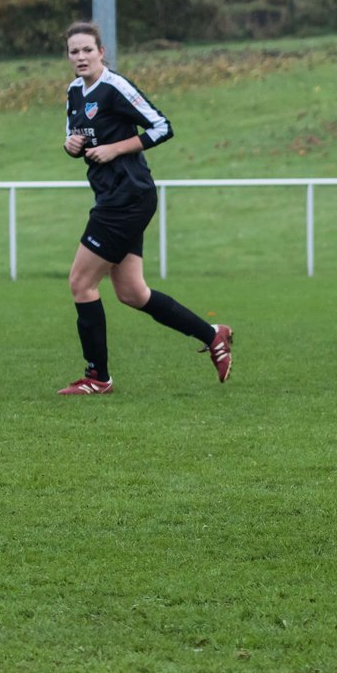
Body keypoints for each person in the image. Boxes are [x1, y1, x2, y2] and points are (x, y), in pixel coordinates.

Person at [56, 21, 232, 395]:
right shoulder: (73, 92)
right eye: (74, 51)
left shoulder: (115, 86)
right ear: (68, 56)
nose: (81, 56)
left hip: (128, 197)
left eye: (88, 49)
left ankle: (97, 377)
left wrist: (116, 148)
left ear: (101, 52)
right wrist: (70, 146)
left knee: (80, 282)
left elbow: (162, 126)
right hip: (112, 197)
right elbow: (79, 139)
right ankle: (212, 334)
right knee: (133, 293)